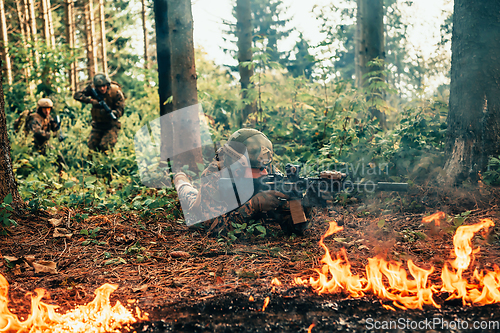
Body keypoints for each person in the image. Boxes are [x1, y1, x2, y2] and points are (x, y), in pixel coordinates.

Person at [174, 128, 303, 236]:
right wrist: (254, 205)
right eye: (252, 171)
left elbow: (294, 224)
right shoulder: (214, 174)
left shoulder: (263, 165)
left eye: (262, 169)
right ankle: (180, 180)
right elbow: (215, 228)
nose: (262, 174)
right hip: (201, 204)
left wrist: (303, 203)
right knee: (190, 196)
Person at [73, 73, 125, 153]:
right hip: (97, 125)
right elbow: (77, 95)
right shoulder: (92, 89)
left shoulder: (115, 92)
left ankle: (107, 164)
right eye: (99, 87)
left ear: (107, 84)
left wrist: (110, 112)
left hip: (111, 125)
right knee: (91, 149)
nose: (102, 89)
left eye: (104, 86)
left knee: (105, 147)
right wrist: (91, 101)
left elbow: (120, 111)